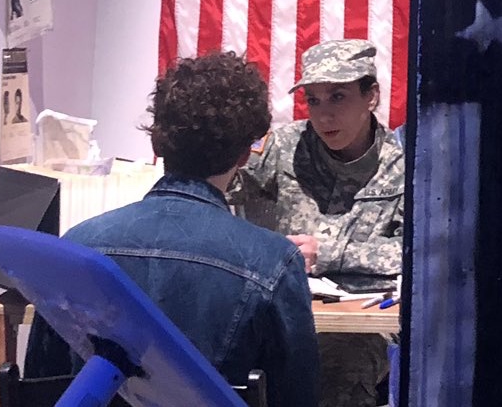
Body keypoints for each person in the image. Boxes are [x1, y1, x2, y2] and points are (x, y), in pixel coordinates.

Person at [28, 53, 318, 406]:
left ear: (157, 143)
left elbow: (42, 387)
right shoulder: (274, 263)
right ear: (244, 156)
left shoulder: (77, 246)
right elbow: (296, 397)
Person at [231, 41, 403, 407]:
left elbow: (413, 253)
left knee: (335, 370)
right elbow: (224, 189)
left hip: (357, 326)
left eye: (338, 97)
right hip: (276, 307)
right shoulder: (283, 146)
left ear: (371, 96)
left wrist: (327, 253)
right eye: (313, 101)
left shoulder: (401, 164)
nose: (323, 116)